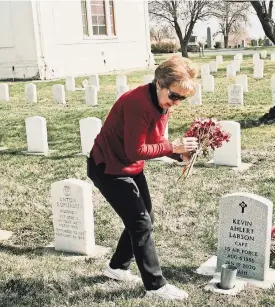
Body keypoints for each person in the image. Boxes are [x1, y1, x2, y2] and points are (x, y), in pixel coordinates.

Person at [87, 55, 198, 300]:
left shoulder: (160, 102)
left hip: (128, 165)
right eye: (174, 96)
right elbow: (135, 150)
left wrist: (180, 155)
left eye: (182, 98)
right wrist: (173, 146)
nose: (177, 103)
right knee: (140, 223)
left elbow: (154, 140)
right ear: (159, 84)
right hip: (108, 166)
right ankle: (156, 286)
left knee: (145, 217)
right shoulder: (138, 103)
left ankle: (116, 268)